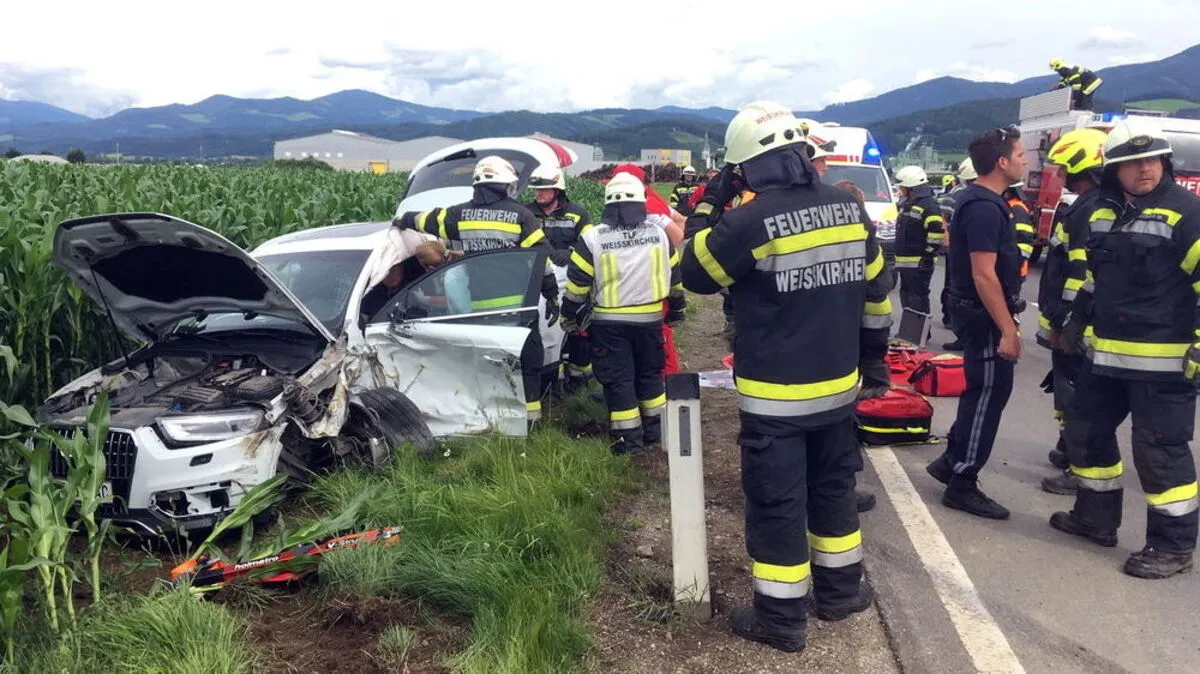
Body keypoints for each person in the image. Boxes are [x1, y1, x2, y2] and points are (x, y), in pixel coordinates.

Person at [680, 101, 892, 653]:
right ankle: (842, 594)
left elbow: (697, 275)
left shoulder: (749, 221)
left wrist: (708, 203)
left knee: (778, 506)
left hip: (776, 400)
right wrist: (874, 362)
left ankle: (780, 619)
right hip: (839, 390)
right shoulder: (850, 210)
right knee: (833, 493)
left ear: (746, 167)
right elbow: (876, 296)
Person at [1050, 121, 1200, 579]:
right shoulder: (1101, 212)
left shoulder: (1186, 214)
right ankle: (1095, 519)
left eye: (1152, 160)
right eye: (1132, 163)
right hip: (1107, 356)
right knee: (1084, 429)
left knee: (1159, 452)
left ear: (1165, 163)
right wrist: (1077, 317)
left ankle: (1172, 547)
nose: (1144, 170)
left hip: (1165, 363)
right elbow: (1096, 274)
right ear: (1112, 170)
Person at [393, 155, 559, 426]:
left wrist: (405, 218)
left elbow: (429, 220)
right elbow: (543, 258)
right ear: (505, 185)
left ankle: (494, 421)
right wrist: (551, 295)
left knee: (490, 367)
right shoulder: (520, 215)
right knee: (528, 363)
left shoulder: (459, 214)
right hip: (518, 306)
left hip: (480, 308)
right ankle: (531, 423)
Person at [926, 126, 1026, 520]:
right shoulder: (984, 207)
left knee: (983, 393)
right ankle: (963, 481)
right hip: (984, 319)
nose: (1025, 160)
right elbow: (984, 274)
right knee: (987, 395)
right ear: (1001, 162)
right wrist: (1008, 329)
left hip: (975, 313)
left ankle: (952, 461)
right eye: (1019, 154)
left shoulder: (979, 202)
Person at [562, 172, 685, 455]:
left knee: (619, 380)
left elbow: (576, 286)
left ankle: (629, 443)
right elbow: (675, 280)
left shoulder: (592, 238)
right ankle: (655, 433)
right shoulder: (658, 235)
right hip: (651, 320)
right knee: (650, 375)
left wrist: (569, 316)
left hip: (608, 324)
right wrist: (676, 312)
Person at [1033, 128, 1111, 495]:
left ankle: (1078, 467)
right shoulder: (1094, 205)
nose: (1060, 177)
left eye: (1064, 170)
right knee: (1071, 392)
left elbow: (1078, 274)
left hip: (1075, 325)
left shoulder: (1087, 210)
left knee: (1075, 397)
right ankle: (1069, 451)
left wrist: (1065, 321)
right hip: (1077, 321)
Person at [528, 165, 594, 393]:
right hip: (539, 282)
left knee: (576, 331)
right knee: (544, 331)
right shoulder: (527, 214)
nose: (539, 194)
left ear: (557, 190)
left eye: (544, 189)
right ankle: (549, 384)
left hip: (571, 281)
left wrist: (571, 254)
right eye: (537, 190)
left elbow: (589, 246)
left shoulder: (578, 214)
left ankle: (578, 383)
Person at [892, 166, 945, 327]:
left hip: (919, 263)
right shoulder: (908, 204)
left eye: (902, 187)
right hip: (906, 263)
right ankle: (910, 331)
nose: (900, 190)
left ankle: (920, 333)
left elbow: (936, 233)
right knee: (907, 297)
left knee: (918, 298)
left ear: (911, 186)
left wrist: (928, 256)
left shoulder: (929, 205)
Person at [358, 241, 457, 326]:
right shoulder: (373, 294)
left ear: (402, 267)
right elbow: (363, 318)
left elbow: (455, 302)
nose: (391, 274)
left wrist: (427, 300)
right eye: (387, 271)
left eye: (394, 268)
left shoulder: (419, 286)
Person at [939, 157, 978, 352]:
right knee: (959, 289)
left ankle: (963, 332)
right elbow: (944, 219)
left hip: (964, 250)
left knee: (959, 289)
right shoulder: (957, 194)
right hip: (961, 250)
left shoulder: (959, 194)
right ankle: (959, 330)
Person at [1005, 183, 1037, 286]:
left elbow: (1025, 241)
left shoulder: (1017, 208)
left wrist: (1014, 263)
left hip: (1014, 270)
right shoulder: (1008, 205)